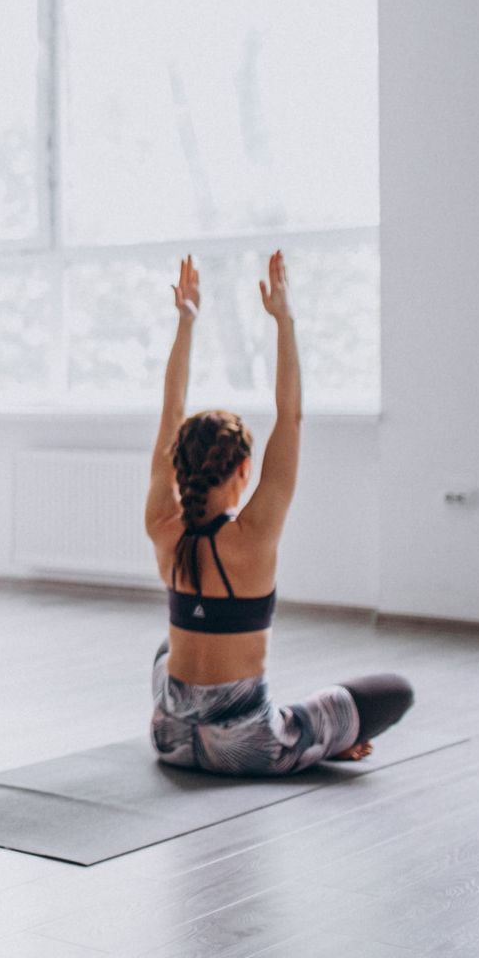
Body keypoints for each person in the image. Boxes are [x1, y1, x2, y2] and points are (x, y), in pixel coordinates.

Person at [146, 252, 413, 774]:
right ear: (244, 469)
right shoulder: (254, 535)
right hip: (248, 747)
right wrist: (284, 320)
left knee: (167, 647)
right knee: (394, 692)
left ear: (177, 461)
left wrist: (186, 321)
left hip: (170, 738)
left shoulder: (162, 529)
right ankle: (322, 741)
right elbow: (290, 415)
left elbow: (169, 413)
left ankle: (304, 733)